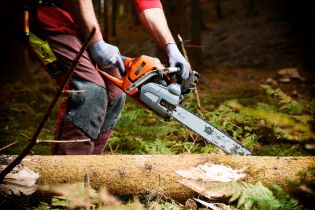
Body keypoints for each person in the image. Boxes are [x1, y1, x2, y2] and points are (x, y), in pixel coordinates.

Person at [33, 0, 191, 155]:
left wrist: (171, 47)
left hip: (74, 18)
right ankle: (67, 175)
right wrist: (96, 43)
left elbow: (149, 5)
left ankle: (91, 168)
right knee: (90, 92)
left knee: (114, 93)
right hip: (43, 15)